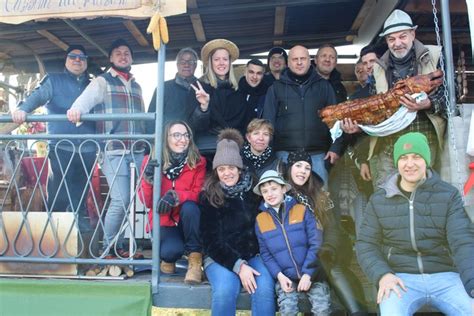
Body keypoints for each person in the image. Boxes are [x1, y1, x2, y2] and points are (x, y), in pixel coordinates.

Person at [356, 132, 474, 315]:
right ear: (397, 163)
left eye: (416, 157)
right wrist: (383, 274)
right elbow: (366, 244)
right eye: (403, 158)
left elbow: (463, 241)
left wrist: (472, 283)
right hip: (399, 279)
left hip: (446, 277)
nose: (410, 164)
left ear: (426, 160)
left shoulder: (448, 195)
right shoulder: (379, 199)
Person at [343, 9, 447, 189]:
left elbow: (451, 98)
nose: (397, 43)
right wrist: (358, 126)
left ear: (412, 34)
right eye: (391, 39)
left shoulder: (435, 56)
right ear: (386, 41)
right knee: (388, 200)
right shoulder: (378, 68)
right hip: (387, 146)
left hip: (425, 142)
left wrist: (428, 104)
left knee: (423, 198)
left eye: (402, 36)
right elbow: (376, 111)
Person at [67, 39, 146, 258]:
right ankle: (108, 247)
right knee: (120, 200)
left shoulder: (136, 85)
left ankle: (119, 246)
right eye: (118, 53)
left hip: (137, 150)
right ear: (111, 58)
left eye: (127, 52)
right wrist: (76, 111)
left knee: (129, 200)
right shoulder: (102, 82)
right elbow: (82, 103)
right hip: (113, 150)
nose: (123, 56)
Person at [12, 44, 96, 235]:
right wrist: (23, 110)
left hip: (88, 150)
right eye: (73, 57)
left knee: (81, 196)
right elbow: (38, 96)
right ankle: (55, 242)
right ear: (66, 60)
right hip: (61, 148)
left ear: (86, 62)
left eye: (82, 58)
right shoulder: (54, 81)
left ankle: (81, 248)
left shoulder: (93, 85)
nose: (77, 60)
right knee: (58, 195)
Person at [199, 128, 275, 315]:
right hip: (220, 257)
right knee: (226, 290)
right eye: (222, 169)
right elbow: (211, 242)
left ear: (239, 169)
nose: (227, 173)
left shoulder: (254, 191)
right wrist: (239, 266)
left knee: (264, 289)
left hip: (253, 255)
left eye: (231, 168)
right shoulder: (209, 196)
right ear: (216, 171)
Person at [285, 150, 368, 316]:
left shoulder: (318, 193)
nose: (303, 171)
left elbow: (332, 228)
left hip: (327, 249)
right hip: (300, 256)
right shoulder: (282, 195)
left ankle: (358, 312)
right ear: (289, 168)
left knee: (332, 267)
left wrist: (328, 249)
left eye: (307, 167)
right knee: (327, 271)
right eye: (298, 166)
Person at [254, 169, 331, 316]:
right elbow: (266, 254)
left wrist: (308, 274)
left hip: (312, 274)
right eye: (265, 191)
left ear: (283, 188)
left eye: (274, 189)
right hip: (286, 277)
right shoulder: (260, 220)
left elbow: (316, 243)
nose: (270, 194)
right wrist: (280, 277)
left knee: (322, 308)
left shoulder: (301, 210)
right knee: (287, 309)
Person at [263, 44, 342, 185]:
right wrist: (269, 154)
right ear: (288, 63)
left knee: (320, 202)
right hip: (285, 155)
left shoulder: (324, 86)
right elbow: (268, 123)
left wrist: (335, 148)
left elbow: (336, 122)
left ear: (309, 60)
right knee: (288, 202)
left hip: (317, 156)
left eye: (303, 58)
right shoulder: (275, 88)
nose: (299, 62)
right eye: (295, 59)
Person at [140, 121, 206, 284]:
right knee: (171, 252)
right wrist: (148, 181)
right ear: (166, 138)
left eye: (186, 135)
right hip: (163, 221)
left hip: (187, 220)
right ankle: (169, 257)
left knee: (191, 207)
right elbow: (147, 202)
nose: (182, 140)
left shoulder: (198, 161)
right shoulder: (151, 160)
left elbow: (197, 194)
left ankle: (195, 261)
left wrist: (175, 196)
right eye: (176, 135)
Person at [190, 39, 248, 154]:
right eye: (216, 59)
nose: (221, 63)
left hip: (233, 149)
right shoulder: (199, 88)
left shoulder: (238, 91)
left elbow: (244, 124)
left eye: (225, 59)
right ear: (210, 62)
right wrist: (204, 107)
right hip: (206, 150)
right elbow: (194, 126)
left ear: (229, 63)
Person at [146, 48, 207, 133]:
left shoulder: (204, 88)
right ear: (177, 64)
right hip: (168, 140)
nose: (186, 65)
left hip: (197, 141)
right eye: (182, 62)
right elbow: (151, 118)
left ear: (196, 65)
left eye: (191, 62)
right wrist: (152, 141)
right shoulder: (163, 88)